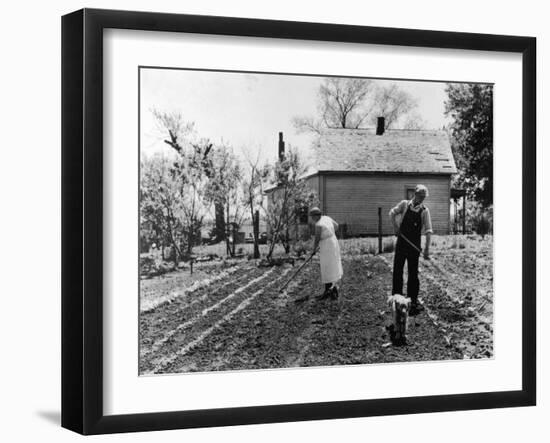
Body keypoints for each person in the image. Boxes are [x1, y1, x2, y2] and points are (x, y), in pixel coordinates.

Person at [389, 185, 433, 315]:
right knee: (398, 269)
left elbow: (429, 231)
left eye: (424, 197)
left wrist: (426, 250)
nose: (422, 199)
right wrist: (396, 228)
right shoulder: (404, 205)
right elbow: (392, 213)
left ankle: (412, 300)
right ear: (415, 194)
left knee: (413, 273)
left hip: (414, 245)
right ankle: (396, 297)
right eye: (420, 196)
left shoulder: (425, 211)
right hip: (402, 243)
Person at [309, 207, 343, 300]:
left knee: (327, 266)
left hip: (327, 246)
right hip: (333, 241)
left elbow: (317, 238)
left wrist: (313, 250)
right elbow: (336, 226)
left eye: (312, 217)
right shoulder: (327, 218)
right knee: (332, 265)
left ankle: (330, 290)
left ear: (316, 216)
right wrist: (329, 234)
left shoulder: (319, 224)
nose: (311, 219)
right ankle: (330, 289)